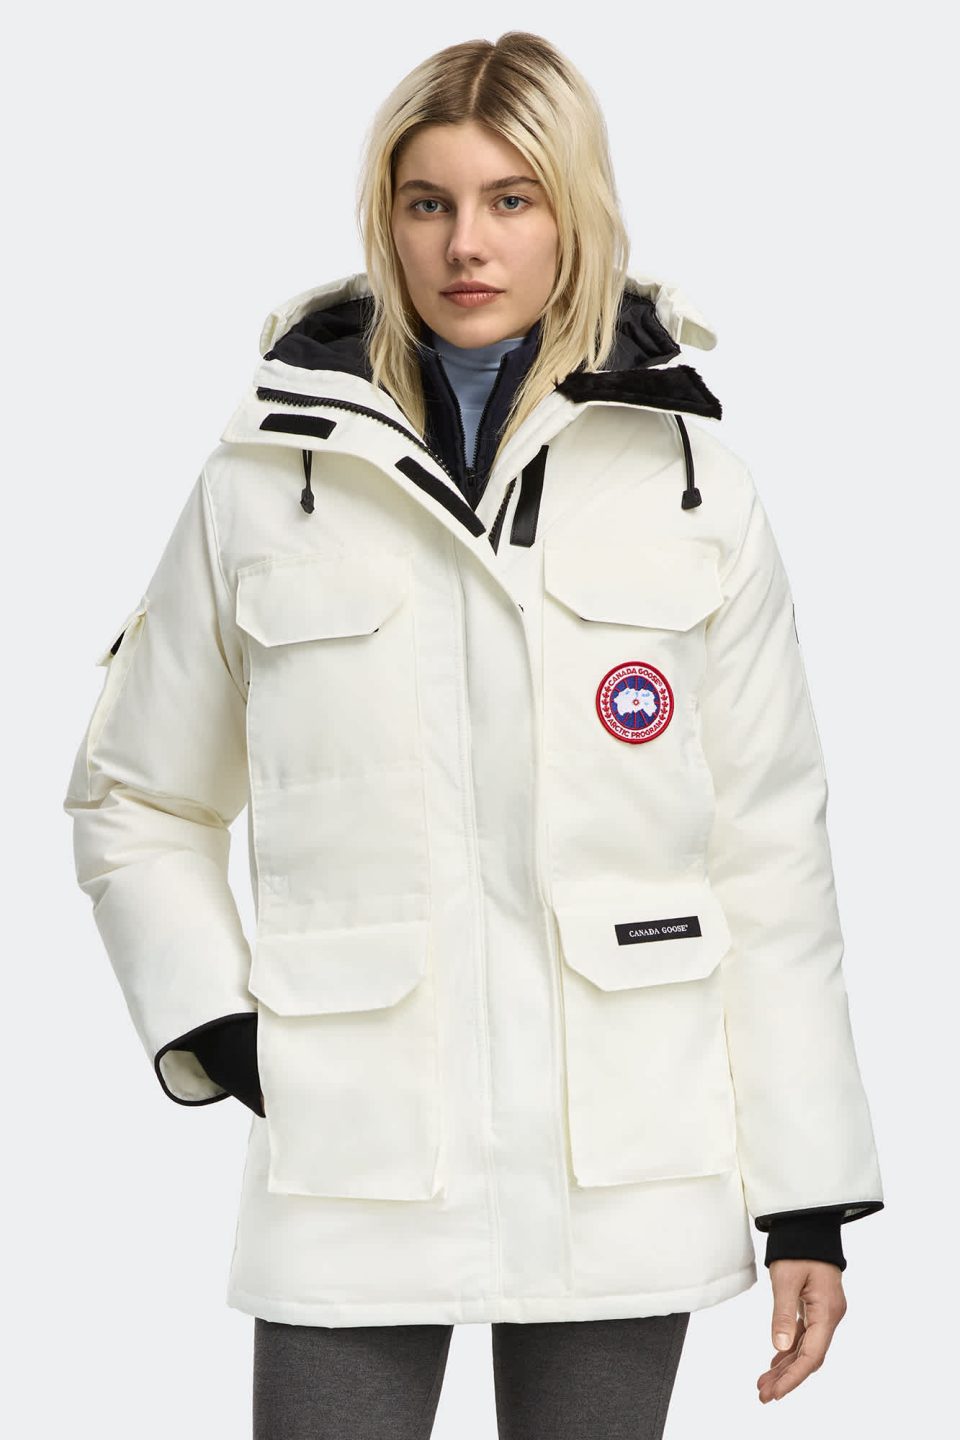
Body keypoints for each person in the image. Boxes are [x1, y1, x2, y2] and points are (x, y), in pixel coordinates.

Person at [62, 30, 885, 1438]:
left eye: (512, 199)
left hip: (626, 1151)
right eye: (427, 201)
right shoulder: (264, 480)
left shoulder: (692, 486)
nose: (466, 243)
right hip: (357, 1145)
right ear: (385, 219)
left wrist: (808, 1201)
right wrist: (216, 1023)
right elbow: (135, 794)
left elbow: (770, 853)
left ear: (576, 211)